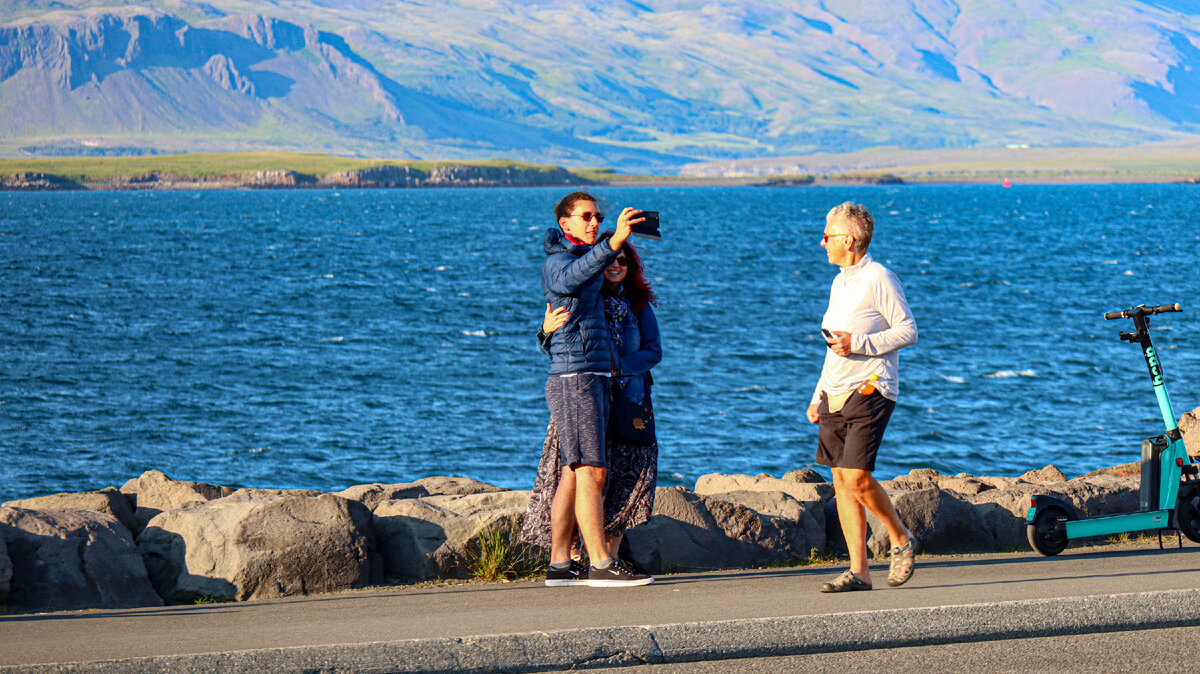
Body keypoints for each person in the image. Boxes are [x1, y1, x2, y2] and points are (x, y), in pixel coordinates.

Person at [523, 235, 662, 573]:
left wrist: (619, 368)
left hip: (627, 401)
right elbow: (557, 343)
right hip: (584, 393)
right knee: (575, 474)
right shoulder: (585, 297)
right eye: (610, 259)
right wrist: (543, 330)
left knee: (625, 477)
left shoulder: (637, 303)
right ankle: (569, 557)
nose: (615, 265)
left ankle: (606, 555)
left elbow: (653, 351)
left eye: (623, 261)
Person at [806, 201, 918, 593]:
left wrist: (862, 343)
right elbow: (832, 344)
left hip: (871, 387)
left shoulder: (879, 278)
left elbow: (908, 331)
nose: (822, 242)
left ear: (849, 240)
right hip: (834, 392)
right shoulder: (840, 281)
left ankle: (901, 537)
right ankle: (859, 571)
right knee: (840, 481)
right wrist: (818, 394)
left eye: (827, 235)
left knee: (856, 476)